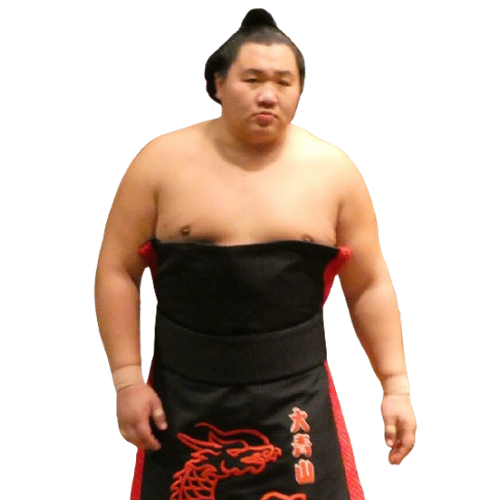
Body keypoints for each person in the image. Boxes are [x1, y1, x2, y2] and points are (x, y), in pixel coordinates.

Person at [94, 8, 417, 500]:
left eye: (284, 82)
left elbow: (369, 285)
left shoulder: (334, 172)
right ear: (217, 84)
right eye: (253, 79)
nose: (269, 94)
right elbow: (117, 270)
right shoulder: (158, 163)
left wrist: (395, 386)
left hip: (296, 395)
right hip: (181, 393)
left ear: (300, 90)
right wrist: (126, 381)